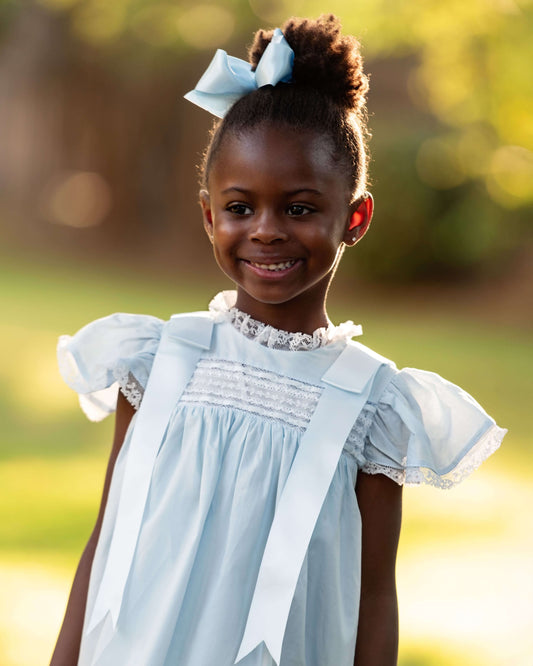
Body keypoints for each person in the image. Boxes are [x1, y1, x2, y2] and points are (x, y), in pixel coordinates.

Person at [50, 15, 506, 666]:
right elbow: (106, 538)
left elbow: (374, 597)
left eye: (297, 208)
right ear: (209, 214)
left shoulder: (374, 405)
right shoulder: (154, 363)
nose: (265, 231)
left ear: (354, 218)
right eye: (240, 208)